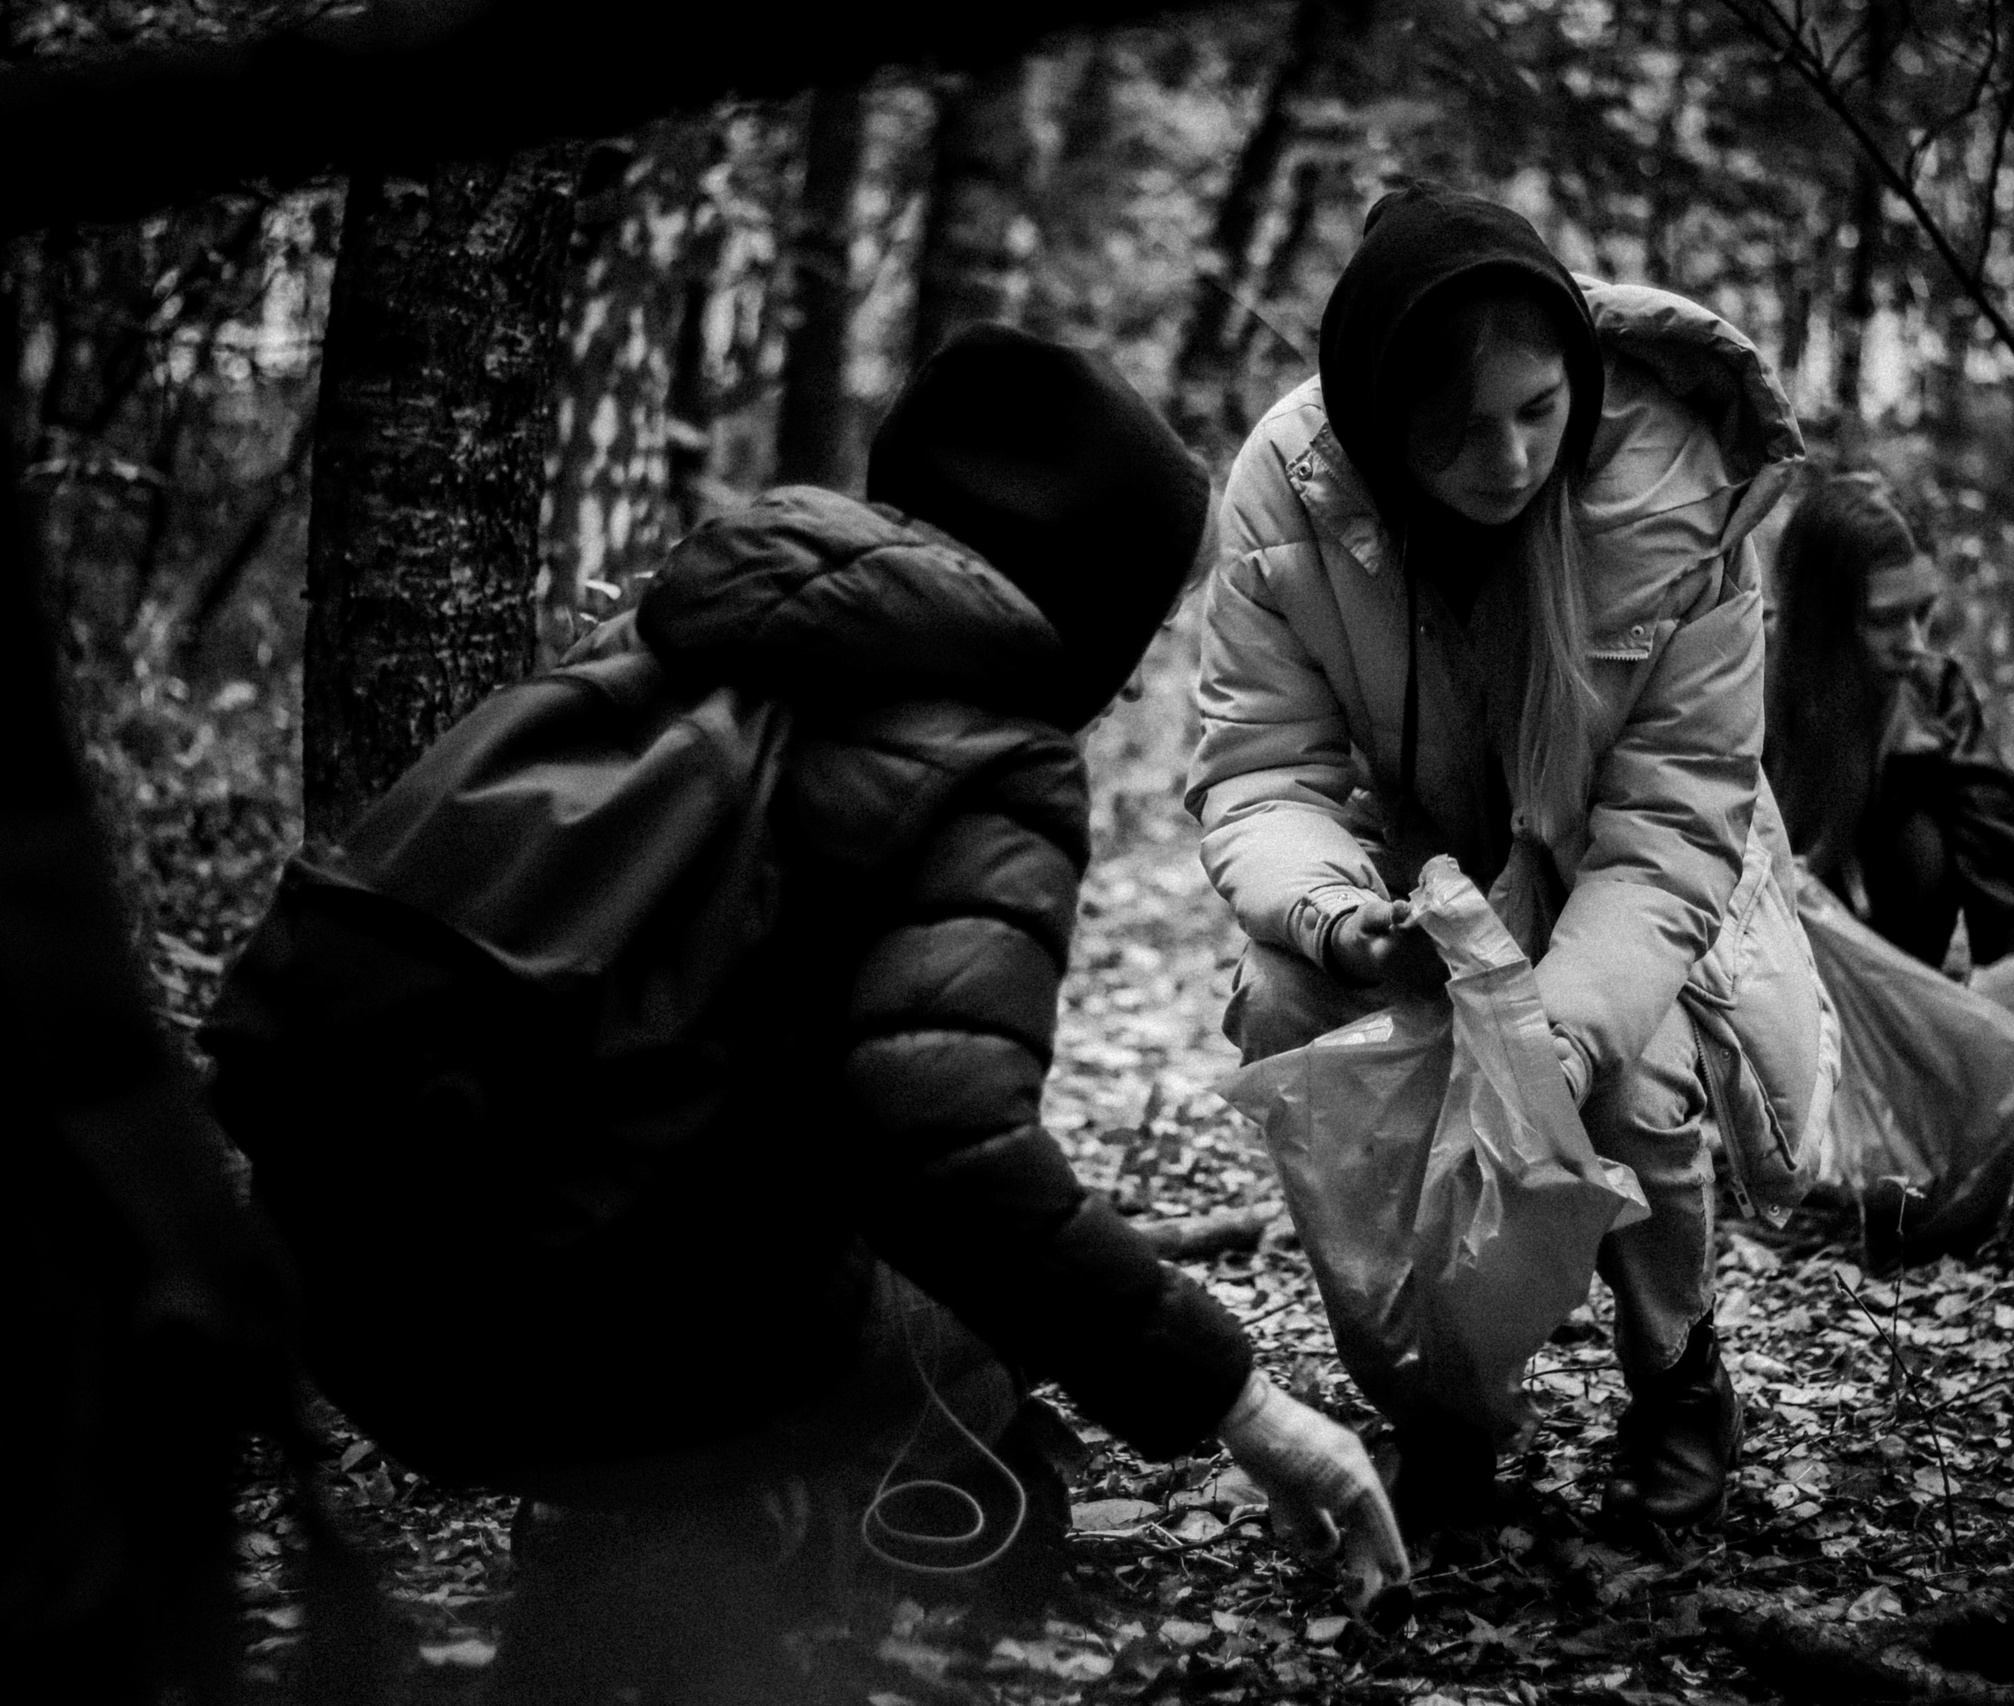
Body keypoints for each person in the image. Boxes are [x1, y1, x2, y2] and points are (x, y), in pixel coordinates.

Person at [205, 327, 1405, 1696]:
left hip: (342, 1287)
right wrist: (1242, 1400)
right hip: (564, 1348)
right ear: (1087, 605)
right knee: (959, 1302)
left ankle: (662, 1566)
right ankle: (724, 1558)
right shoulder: (991, 757)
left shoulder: (675, 632)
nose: (1131, 679)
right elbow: (948, 1157)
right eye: (1136, 625)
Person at [1188, 183, 1814, 1533]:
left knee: (1632, 1088)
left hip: (1622, 862)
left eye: (1541, 411)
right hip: (1411, 865)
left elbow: (1672, 821)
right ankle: (1437, 1400)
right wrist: (1342, 916)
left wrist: (1563, 1039)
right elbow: (1261, 768)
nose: (1513, 457)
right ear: (1374, 418)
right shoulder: (1289, 488)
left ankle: (1676, 1371)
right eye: (1461, 428)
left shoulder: (1676, 506)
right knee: (1290, 1011)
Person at [1763, 472, 2014, 1029]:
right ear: (1816, 620)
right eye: (1885, 619)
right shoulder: (1731, 684)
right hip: (1752, 1018)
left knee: (1921, 838)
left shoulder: (1934, 699)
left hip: (1891, 1028)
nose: (1914, 642)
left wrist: (2012, 983)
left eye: (1923, 612)